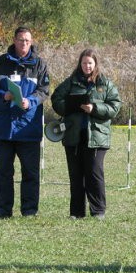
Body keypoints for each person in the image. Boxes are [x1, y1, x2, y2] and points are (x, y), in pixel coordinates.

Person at [0, 26, 50, 218]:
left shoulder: (39, 64)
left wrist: (31, 101)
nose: (24, 44)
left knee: (30, 173)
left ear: (32, 42)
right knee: (3, 172)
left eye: (27, 41)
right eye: (21, 40)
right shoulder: (0, 63)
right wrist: (1, 95)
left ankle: (29, 211)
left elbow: (44, 90)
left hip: (28, 127)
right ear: (14, 40)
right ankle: (3, 211)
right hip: (4, 127)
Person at [50, 48, 121, 219]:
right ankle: (76, 213)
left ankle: (98, 211)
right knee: (75, 175)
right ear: (79, 64)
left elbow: (115, 107)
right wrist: (70, 107)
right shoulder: (71, 82)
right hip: (74, 136)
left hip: (97, 137)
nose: (87, 66)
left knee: (94, 173)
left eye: (90, 63)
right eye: (84, 63)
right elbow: (56, 99)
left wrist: (94, 108)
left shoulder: (106, 84)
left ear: (95, 64)